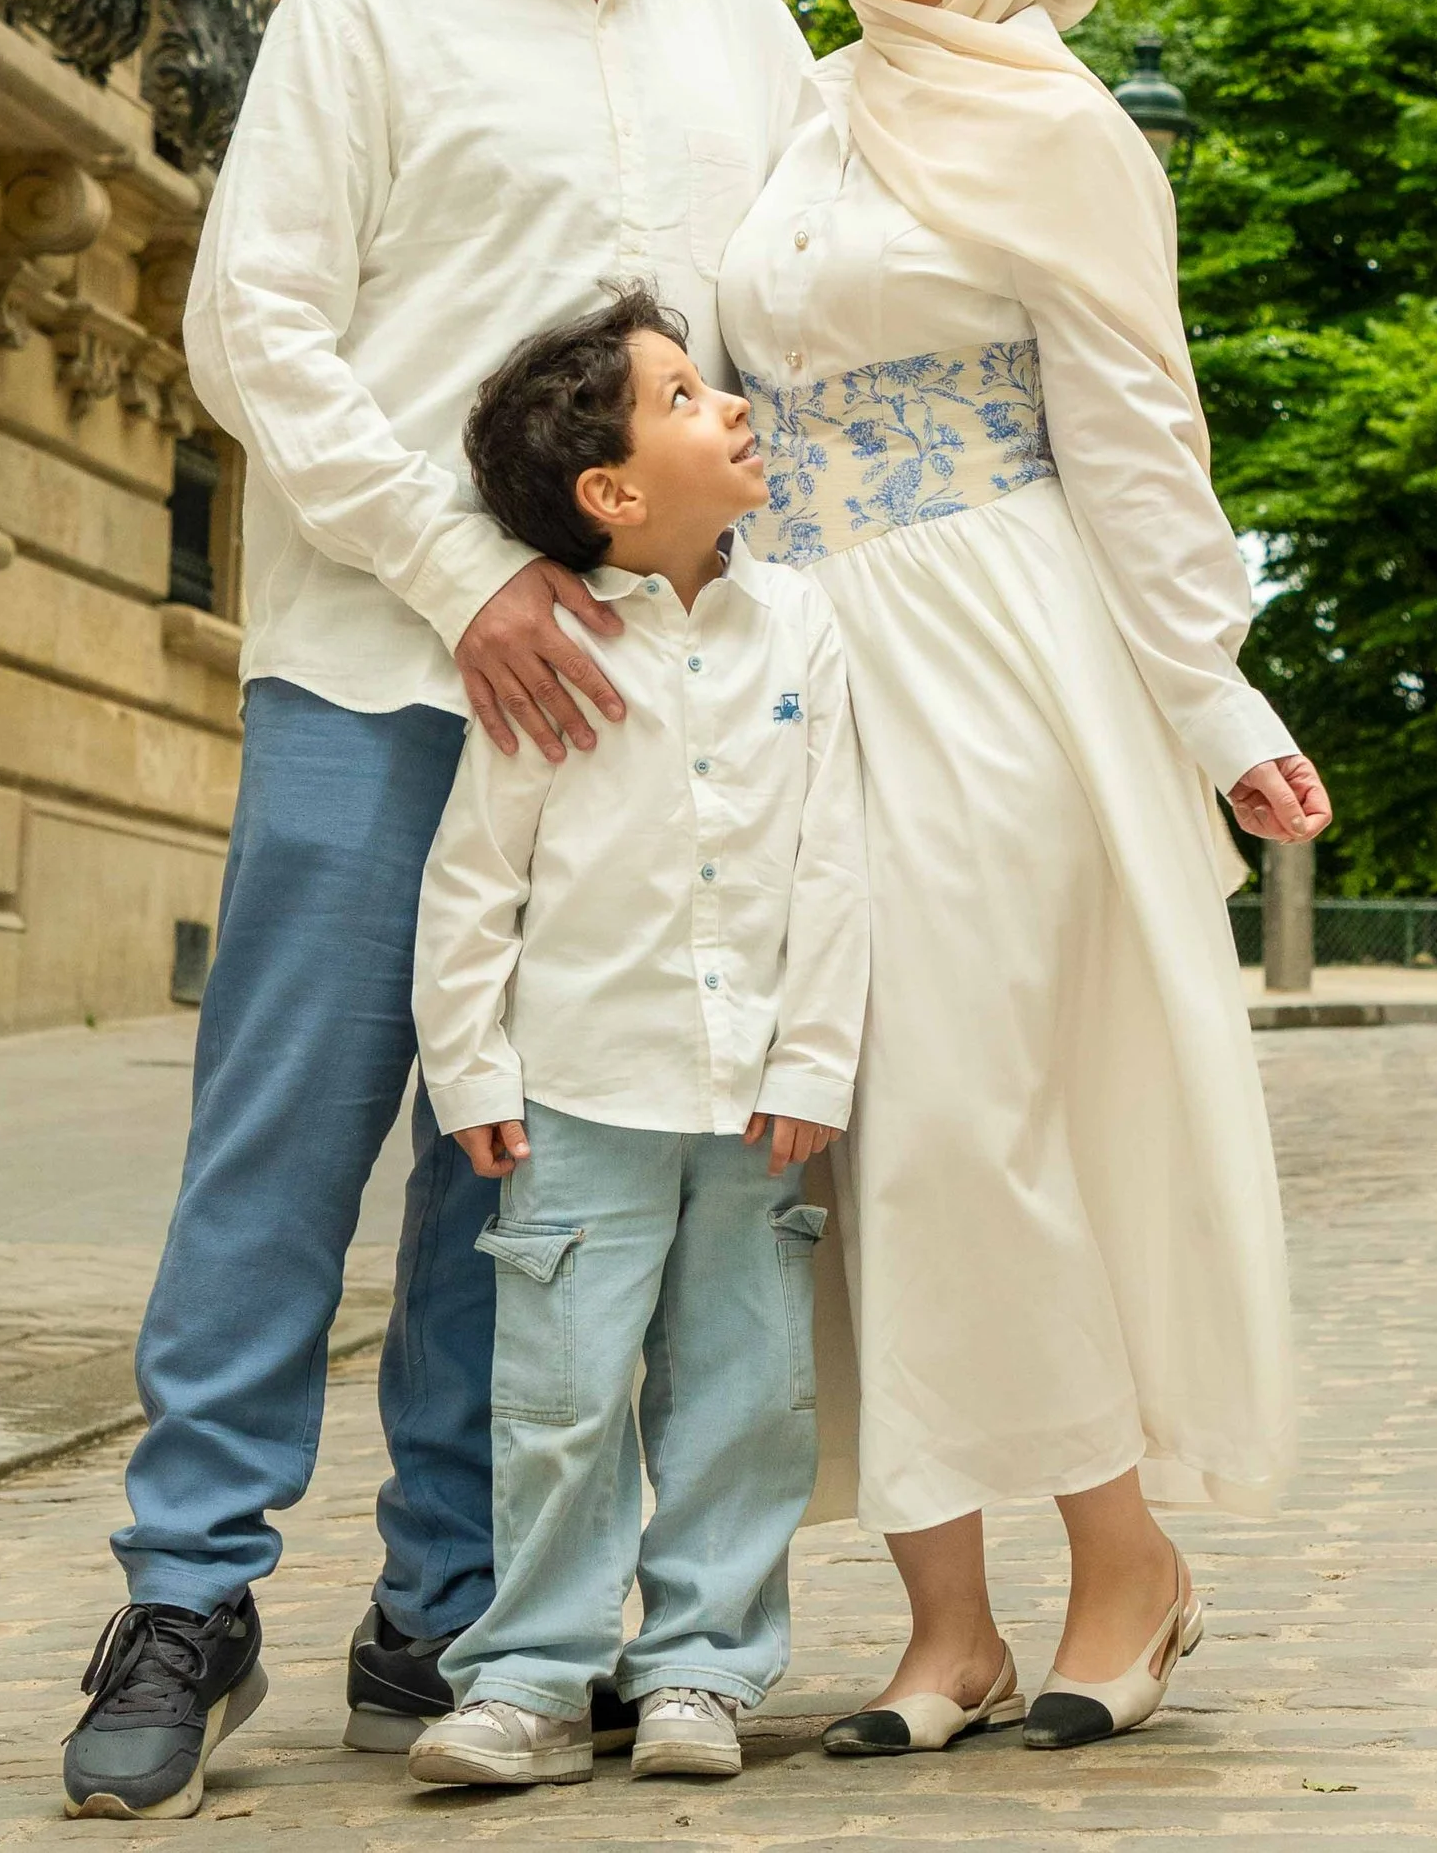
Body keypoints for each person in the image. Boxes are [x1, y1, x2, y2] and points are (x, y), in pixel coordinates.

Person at [61, 0, 818, 1822]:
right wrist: (464, 572)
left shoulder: (743, 26)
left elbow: (782, 350)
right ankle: (188, 1597)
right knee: (283, 1151)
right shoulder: (365, 10)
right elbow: (253, 330)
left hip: (628, 714)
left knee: (529, 1176)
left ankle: (458, 1609)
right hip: (380, 676)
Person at [718, 0, 1331, 1758]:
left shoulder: (1063, 133)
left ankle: (1125, 1561)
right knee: (851, 1117)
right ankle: (944, 1624)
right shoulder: (806, 114)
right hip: (801, 656)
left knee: (976, 1105)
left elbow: (1139, 436)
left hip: (989, 646)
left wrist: (1213, 700)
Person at [405, 289, 867, 1795]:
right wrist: (471, 1066)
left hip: (755, 1106)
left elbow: (833, 860)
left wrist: (815, 1057)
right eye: (686, 395)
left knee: (745, 1389)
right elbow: (478, 876)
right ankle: (533, 1672)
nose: (730, 405)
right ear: (611, 491)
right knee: (559, 1394)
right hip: (580, 1089)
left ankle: (700, 1667)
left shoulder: (801, 621)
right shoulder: (553, 648)